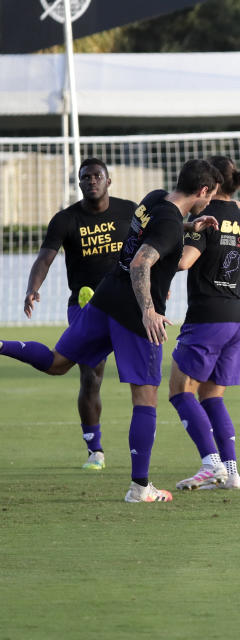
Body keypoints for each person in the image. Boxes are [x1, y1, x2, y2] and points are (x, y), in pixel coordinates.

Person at [0, 159, 222, 502]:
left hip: (105, 296)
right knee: (145, 397)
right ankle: (139, 488)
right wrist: (149, 311)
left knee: (58, 362)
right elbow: (141, 261)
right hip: (134, 313)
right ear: (204, 191)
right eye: (211, 196)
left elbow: (159, 228)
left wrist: (191, 224)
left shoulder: (154, 199)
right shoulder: (169, 225)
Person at [22, 158, 135, 470]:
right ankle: (94, 451)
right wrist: (33, 287)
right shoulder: (66, 219)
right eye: (85, 177)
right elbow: (45, 258)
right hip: (86, 307)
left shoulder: (128, 211)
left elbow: (157, 237)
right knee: (91, 376)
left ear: (109, 181)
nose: (92, 181)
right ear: (80, 183)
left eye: (97, 176)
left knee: (141, 377)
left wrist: (156, 284)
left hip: (127, 304)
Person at [169, 156, 240, 491]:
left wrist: (159, 251)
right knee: (212, 396)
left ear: (210, 184)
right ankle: (231, 472)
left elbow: (185, 261)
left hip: (206, 316)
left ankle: (210, 463)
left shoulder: (206, 216)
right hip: (236, 317)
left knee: (179, 391)